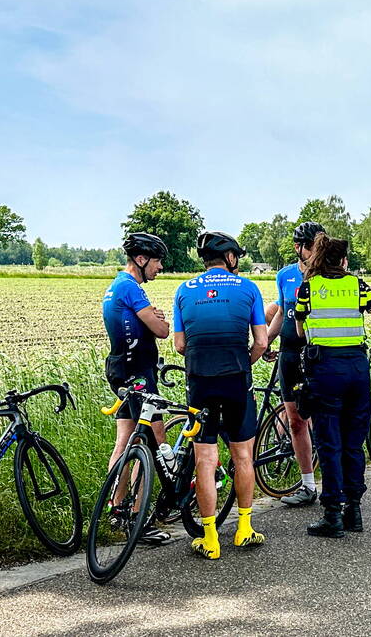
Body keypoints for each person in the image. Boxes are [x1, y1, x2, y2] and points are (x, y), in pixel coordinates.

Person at [173, 231, 268, 559]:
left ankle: (210, 538)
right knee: (243, 456)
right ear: (229, 257)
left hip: (199, 381)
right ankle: (244, 529)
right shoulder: (249, 288)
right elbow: (261, 342)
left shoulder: (183, 290)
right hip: (236, 379)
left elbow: (180, 345)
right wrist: (244, 361)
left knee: (205, 459)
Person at [293, 234, 371, 537]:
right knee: (353, 441)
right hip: (356, 368)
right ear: (344, 260)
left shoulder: (308, 288)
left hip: (325, 369)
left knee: (329, 442)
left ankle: (332, 514)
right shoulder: (357, 286)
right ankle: (354, 509)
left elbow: (300, 330)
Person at [101, 232, 172, 546]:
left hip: (121, 369)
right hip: (139, 374)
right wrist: (155, 319)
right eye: (157, 262)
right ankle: (139, 519)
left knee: (124, 442)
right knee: (153, 442)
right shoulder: (131, 289)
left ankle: (117, 509)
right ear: (141, 259)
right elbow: (163, 330)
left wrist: (150, 320)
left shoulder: (117, 285)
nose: (159, 268)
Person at [265, 221, 325, 506]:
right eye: (311, 246)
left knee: (324, 418)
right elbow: (281, 312)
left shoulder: (329, 274)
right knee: (295, 421)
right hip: (289, 354)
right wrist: (265, 340)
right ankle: (308, 485)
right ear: (299, 248)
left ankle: (337, 483)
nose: (315, 251)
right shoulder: (285, 275)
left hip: (317, 355)